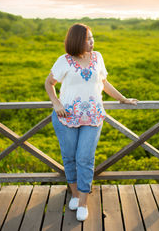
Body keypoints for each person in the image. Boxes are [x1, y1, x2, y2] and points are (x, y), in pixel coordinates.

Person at [44, 23, 138, 221]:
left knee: (85, 158)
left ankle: (83, 203)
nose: (92, 42)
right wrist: (56, 103)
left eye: (92, 38)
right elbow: (49, 83)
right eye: (88, 39)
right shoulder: (64, 61)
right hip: (66, 118)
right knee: (69, 157)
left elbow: (103, 82)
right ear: (77, 40)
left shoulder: (98, 57)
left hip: (93, 116)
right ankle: (76, 195)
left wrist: (123, 99)